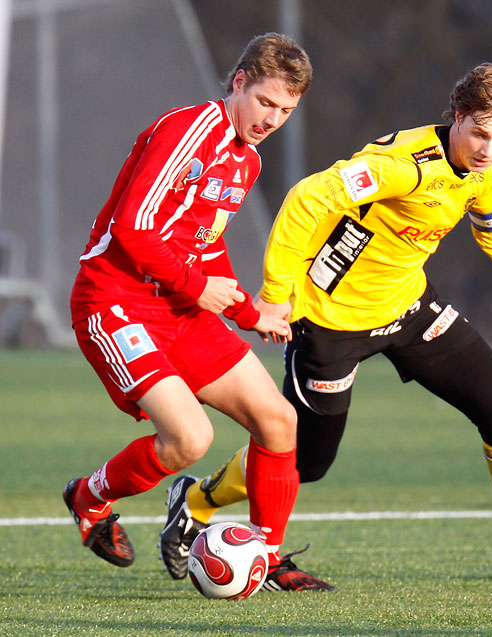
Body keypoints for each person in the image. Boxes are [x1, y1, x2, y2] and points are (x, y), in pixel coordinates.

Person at [160, 63, 492, 583]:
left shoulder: (479, 169)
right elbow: (307, 198)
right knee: (305, 460)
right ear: (458, 116)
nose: (489, 149)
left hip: (410, 309)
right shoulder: (404, 165)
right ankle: (193, 501)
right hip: (331, 322)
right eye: (481, 133)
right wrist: (275, 297)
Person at [63, 32, 333, 592]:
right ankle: (88, 498)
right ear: (239, 82)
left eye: (285, 110)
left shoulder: (247, 161)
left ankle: (268, 556)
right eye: (265, 101)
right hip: (115, 300)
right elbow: (132, 228)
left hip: (179, 306)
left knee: (280, 421)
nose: (272, 118)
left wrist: (246, 309)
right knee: (189, 440)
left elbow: (206, 245)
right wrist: (196, 286)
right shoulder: (188, 130)